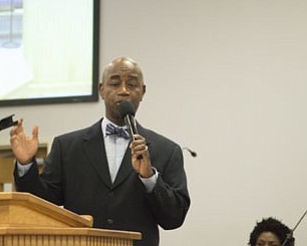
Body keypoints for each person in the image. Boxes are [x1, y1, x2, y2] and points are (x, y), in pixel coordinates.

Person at [10, 56, 191, 246]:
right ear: (102, 90)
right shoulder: (67, 147)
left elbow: (174, 218)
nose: (123, 91)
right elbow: (42, 205)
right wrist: (25, 164)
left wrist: (149, 178)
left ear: (143, 91)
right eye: (115, 83)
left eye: (131, 84)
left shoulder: (167, 150)